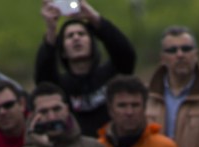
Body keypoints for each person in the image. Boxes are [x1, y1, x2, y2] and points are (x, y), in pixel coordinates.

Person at [34, 0, 136, 138]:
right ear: (62, 50)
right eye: (69, 36)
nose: (76, 38)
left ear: (92, 44)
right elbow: (43, 78)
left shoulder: (111, 76)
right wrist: (51, 30)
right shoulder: (60, 86)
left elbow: (125, 55)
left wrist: (93, 17)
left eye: (82, 34)